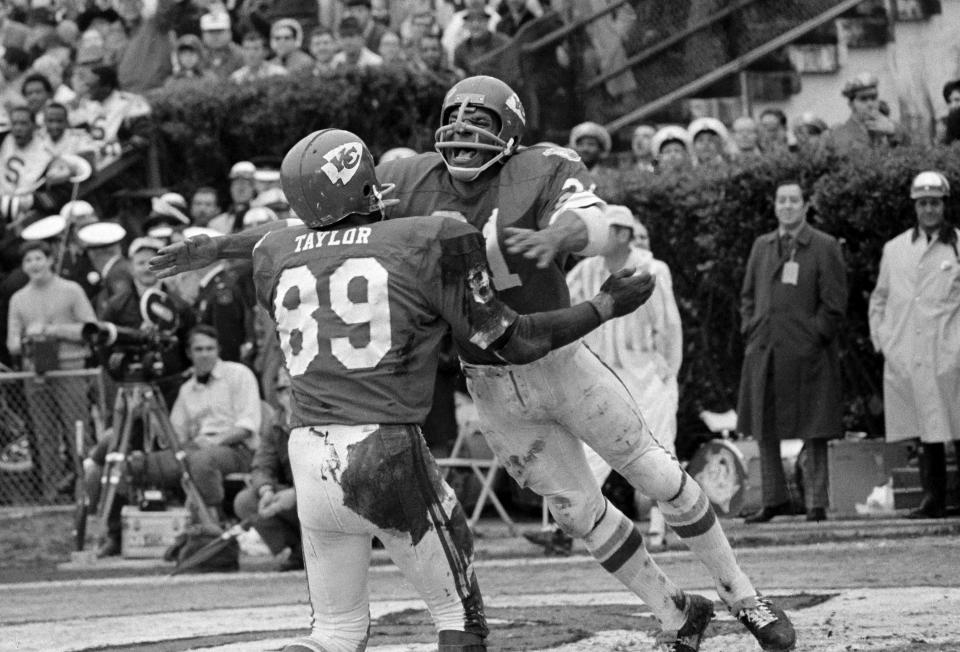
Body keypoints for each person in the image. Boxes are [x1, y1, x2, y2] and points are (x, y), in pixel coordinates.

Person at [149, 127, 657, 652]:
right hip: (385, 446)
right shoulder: (426, 237)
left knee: (334, 634)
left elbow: (290, 235)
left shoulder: (275, 252)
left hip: (308, 451)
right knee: (459, 620)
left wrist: (213, 247)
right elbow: (513, 340)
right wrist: (602, 307)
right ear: (364, 185)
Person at [565, 206, 682, 550]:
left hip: (647, 375)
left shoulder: (653, 269)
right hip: (601, 376)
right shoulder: (586, 271)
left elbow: (669, 326)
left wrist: (666, 372)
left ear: (623, 234)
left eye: (608, 229)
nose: (599, 235)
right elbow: (560, 308)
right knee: (590, 452)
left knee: (660, 449)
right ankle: (575, 529)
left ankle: (661, 528)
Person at [738, 181, 848, 524]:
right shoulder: (762, 245)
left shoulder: (824, 246)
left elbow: (834, 304)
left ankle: (816, 502)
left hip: (809, 353)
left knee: (814, 427)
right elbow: (747, 296)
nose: (787, 206)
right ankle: (774, 500)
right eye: (781, 200)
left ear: (805, 206)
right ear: (774, 206)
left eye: (793, 200)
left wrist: (814, 336)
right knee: (764, 427)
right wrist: (752, 329)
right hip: (765, 349)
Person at [869, 171, 960, 519]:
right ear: (914, 207)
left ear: (944, 205)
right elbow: (880, 299)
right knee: (926, 432)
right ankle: (933, 498)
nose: (929, 209)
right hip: (910, 353)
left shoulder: (957, 245)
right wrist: (884, 341)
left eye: (935, 202)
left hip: (949, 349)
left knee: (956, 425)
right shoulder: (895, 250)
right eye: (922, 203)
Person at [233, 367, 302, 571]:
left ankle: (330, 551)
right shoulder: (275, 424)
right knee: (246, 501)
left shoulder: (323, 418)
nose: (286, 395)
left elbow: (332, 472)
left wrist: (297, 494)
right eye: (282, 389)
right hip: (291, 496)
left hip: (323, 494)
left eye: (293, 389)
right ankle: (298, 550)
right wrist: (266, 490)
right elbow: (261, 465)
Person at [825, 73, 910, 153]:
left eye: (873, 98)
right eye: (863, 99)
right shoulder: (839, 135)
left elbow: (911, 152)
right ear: (851, 105)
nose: (870, 104)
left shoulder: (890, 127)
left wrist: (893, 131)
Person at [568, 121, 622, 203]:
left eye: (591, 144)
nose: (585, 148)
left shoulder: (612, 176)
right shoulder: (568, 176)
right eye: (581, 144)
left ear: (601, 150)